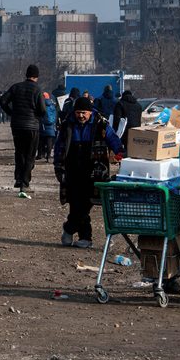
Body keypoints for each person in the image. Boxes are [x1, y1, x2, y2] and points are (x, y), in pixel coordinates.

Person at [53, 96, 123, 248]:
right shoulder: (67, 124)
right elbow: (59, 145)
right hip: (72, 168)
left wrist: (120, 152)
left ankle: (69, 228)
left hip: (95, 169)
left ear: (90, 112)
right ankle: (85, 238)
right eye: (78, 112)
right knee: (75, 202)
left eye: (84, 113)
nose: (81, 116)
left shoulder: (100, 123)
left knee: (86, 202)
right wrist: (58, 165)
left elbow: (112, 138)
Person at [0, 64, 47, 198]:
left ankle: (18, 179)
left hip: (17, 125)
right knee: (30, 155)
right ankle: (25, 183)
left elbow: (2, 100)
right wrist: (37, 116)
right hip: (32, 127)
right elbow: (43, 109)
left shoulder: (16, 87)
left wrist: (11, 113)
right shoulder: (38, 90)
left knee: (19, 152)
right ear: (37, 76)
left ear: (26, 75)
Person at [39, 91, 58, 162]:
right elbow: (55, 115)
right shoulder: (52, 105)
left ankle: (41, 154)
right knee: (49, 141)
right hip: (51, 126)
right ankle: (49, 155)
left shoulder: (41, 105)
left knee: (42, 141)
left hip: (43, 125)